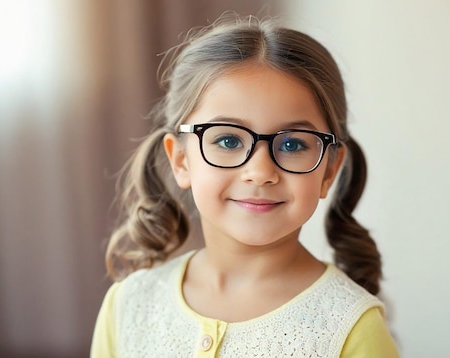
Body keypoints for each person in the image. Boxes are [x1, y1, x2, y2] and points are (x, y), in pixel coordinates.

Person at [91, 13, 399, 357]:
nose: (260, 172)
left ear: (329, 170)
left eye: (293, 144)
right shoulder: (128, 305)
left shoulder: (352, 327)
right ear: (180, 160)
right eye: (227, 141)